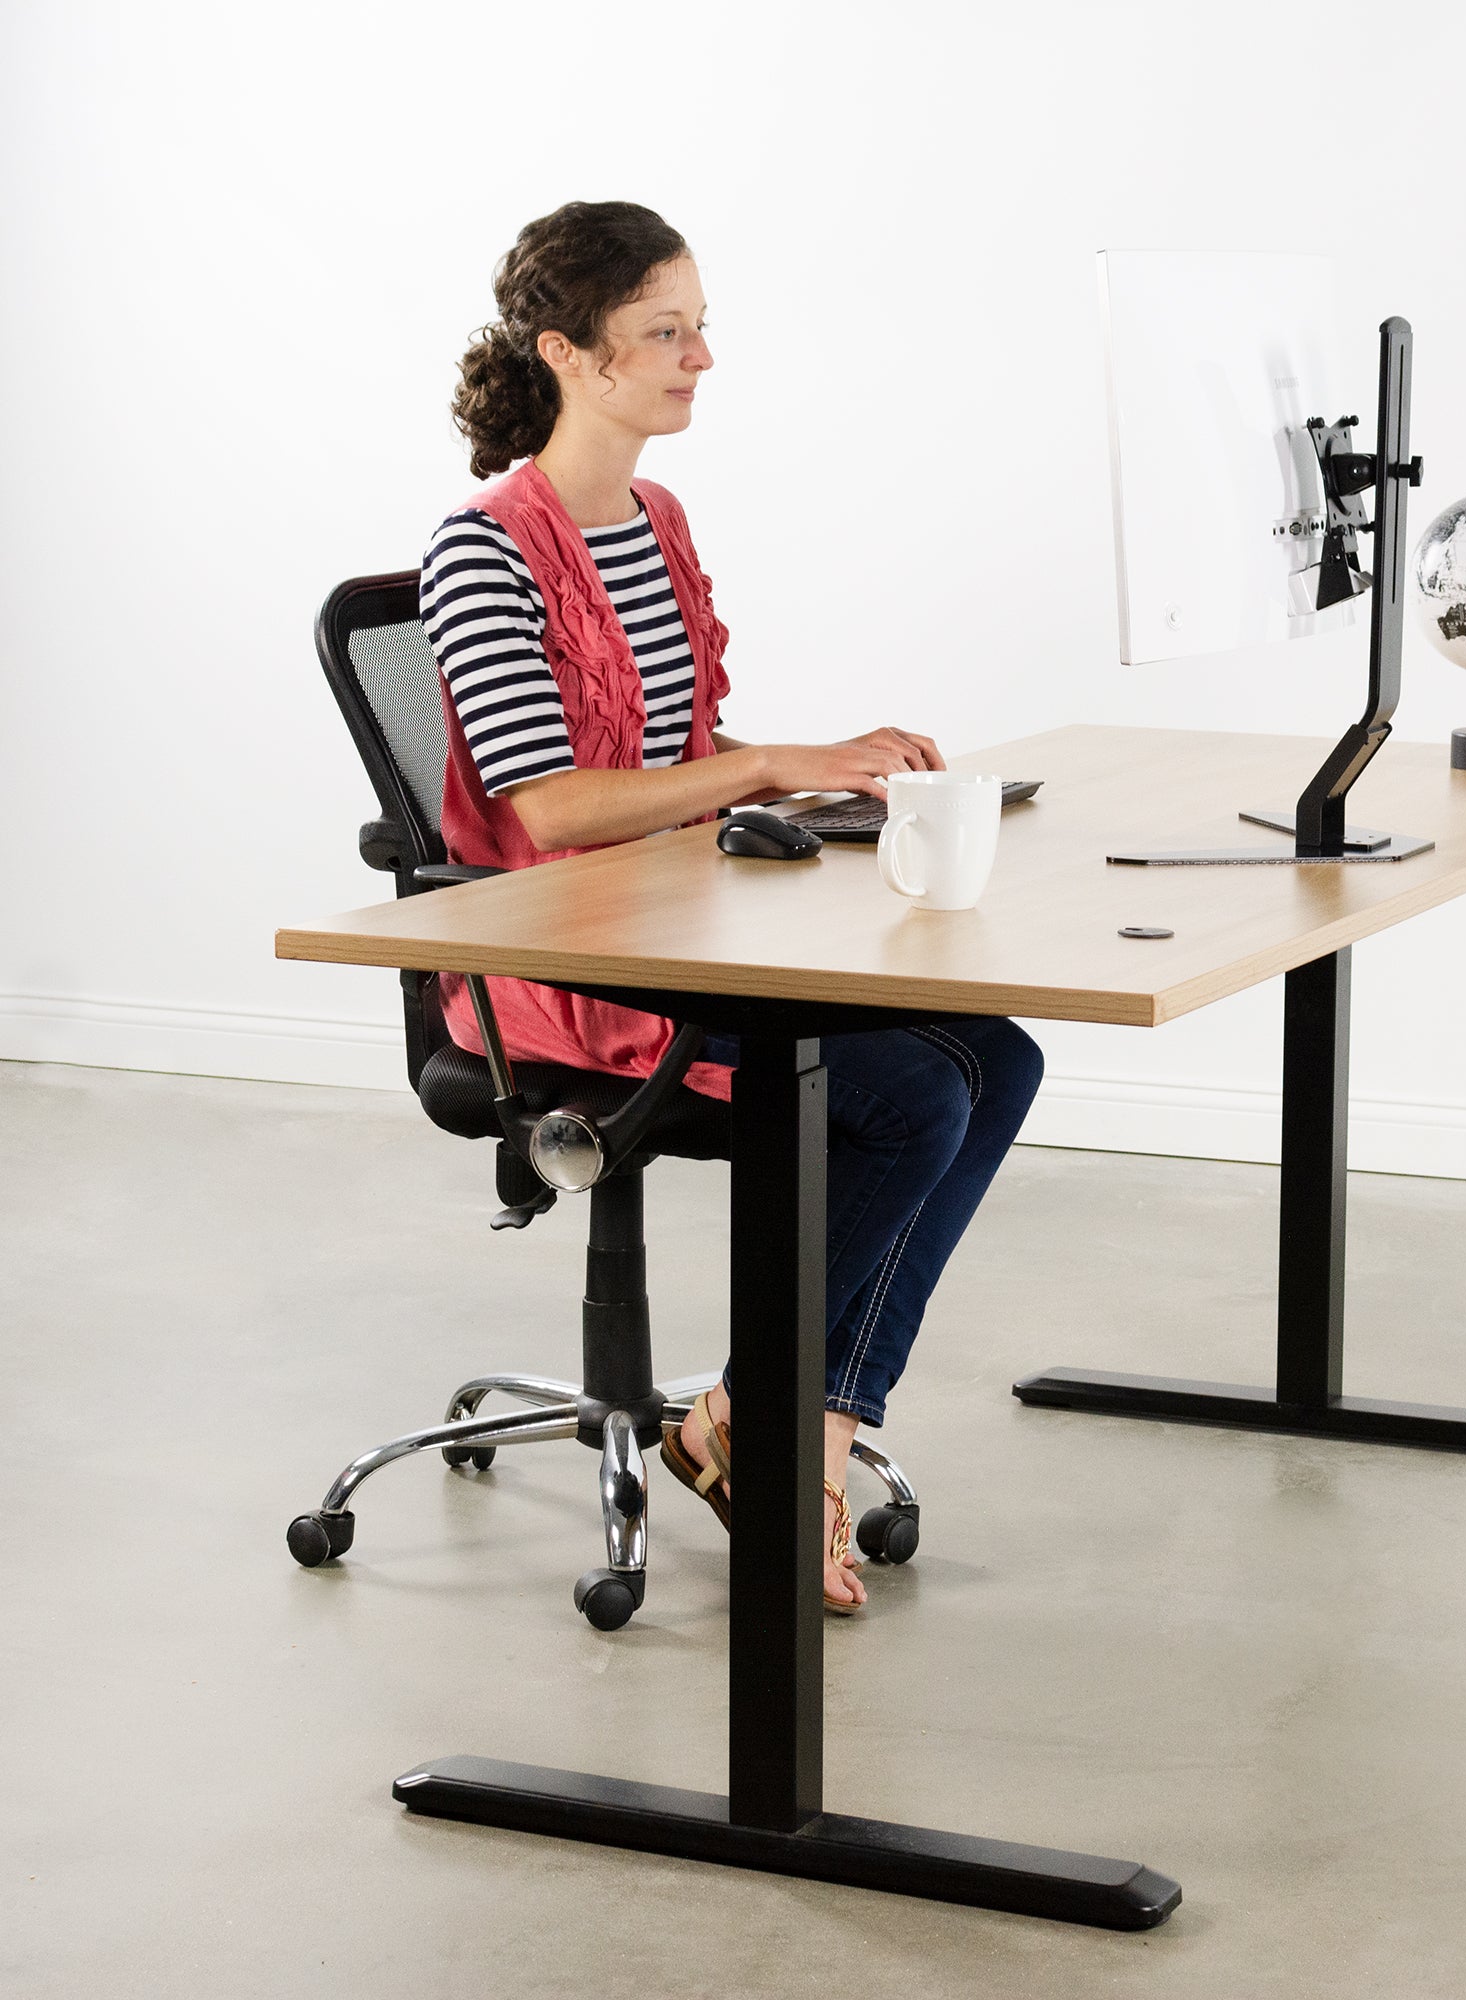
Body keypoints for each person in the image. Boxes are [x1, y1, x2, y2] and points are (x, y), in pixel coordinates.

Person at [421, 201, 1042, 1614]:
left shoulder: (654, 516)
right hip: (559, 963)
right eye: (667, 331)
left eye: (701, 323)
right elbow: (554, 812)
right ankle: (773, 1427)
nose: (702, 355)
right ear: (569, 354)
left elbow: (674, 758)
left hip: (679, 918)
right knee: (910, 1097)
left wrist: (814, 798)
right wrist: (765, 764)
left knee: (998, 1055)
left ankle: (785, 1422)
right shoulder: (484, 548)